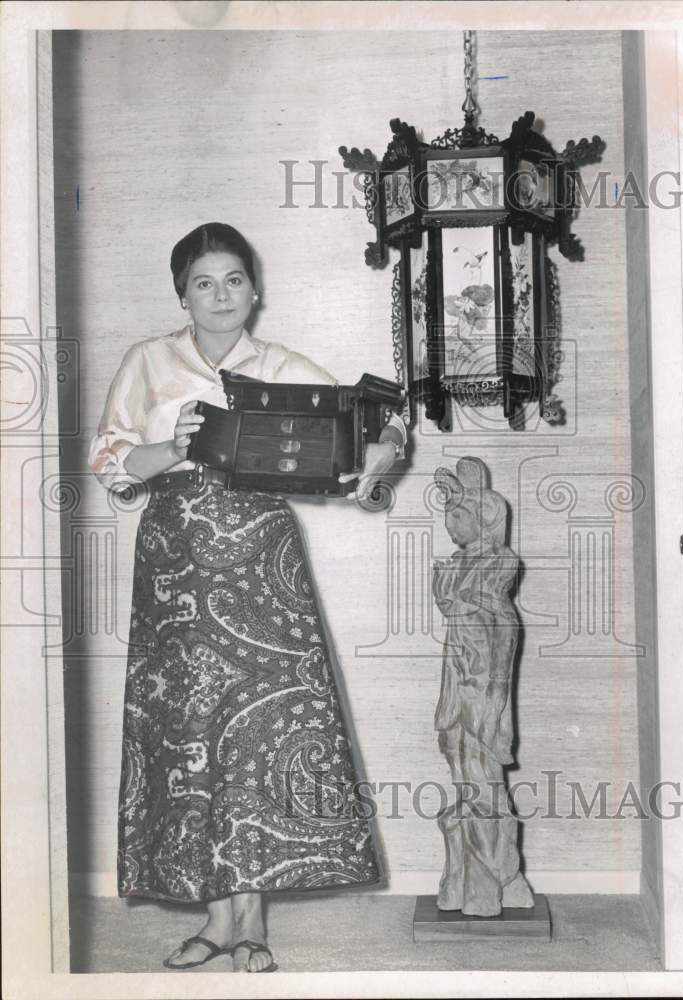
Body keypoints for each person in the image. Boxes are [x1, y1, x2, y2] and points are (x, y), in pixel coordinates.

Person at [88, 222, 406, 973]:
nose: (220, 295)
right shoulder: (147, 360)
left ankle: (252, 922)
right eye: (204, 282)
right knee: (188, 731)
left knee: (261, 733)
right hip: (177, 562)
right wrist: (175, 446)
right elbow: (110, 458)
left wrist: (379, 462)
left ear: (254, 290)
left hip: (263, 561)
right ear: (182, 294)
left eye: (233, 279)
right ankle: (211, 919)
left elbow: (378, 420)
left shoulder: (280, 365)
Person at [431, 457, 534, 917]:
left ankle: (496, 876)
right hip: (456, 686)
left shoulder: (499, 564)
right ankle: (467, 878)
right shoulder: (452, 567)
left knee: (484, 780)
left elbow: (505, 628)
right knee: (461, 773)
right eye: (448, 516)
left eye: (458, 516)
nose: (450, 524)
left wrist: (495, 696)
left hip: (482, 690)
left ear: (485, 520)